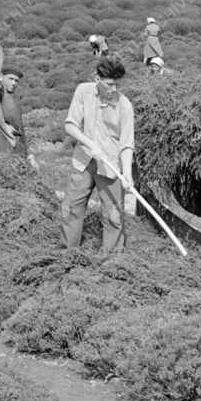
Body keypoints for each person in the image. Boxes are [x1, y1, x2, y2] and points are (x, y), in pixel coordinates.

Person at [61, 57, 135, 254]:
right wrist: (90, 143)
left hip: (110, 166)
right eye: (110, 84)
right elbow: (70, 125)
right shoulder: (83, 91)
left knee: (113, 216)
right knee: (71, 209)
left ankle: (111, 260)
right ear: (97, 79)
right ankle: (68, 253)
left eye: (117, 85)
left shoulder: (124, 105)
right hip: (83, 160)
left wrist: (127, 174)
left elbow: (127, 144)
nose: (113, 89)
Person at [0, 67, 34, 165]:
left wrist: (28, 154)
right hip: (1, 142)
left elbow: (21, 128)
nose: (14, 83)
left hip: (17, 144)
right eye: (10, 79)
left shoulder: (15, 99)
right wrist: (2, 127)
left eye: (16, 81)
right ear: (1, 77)